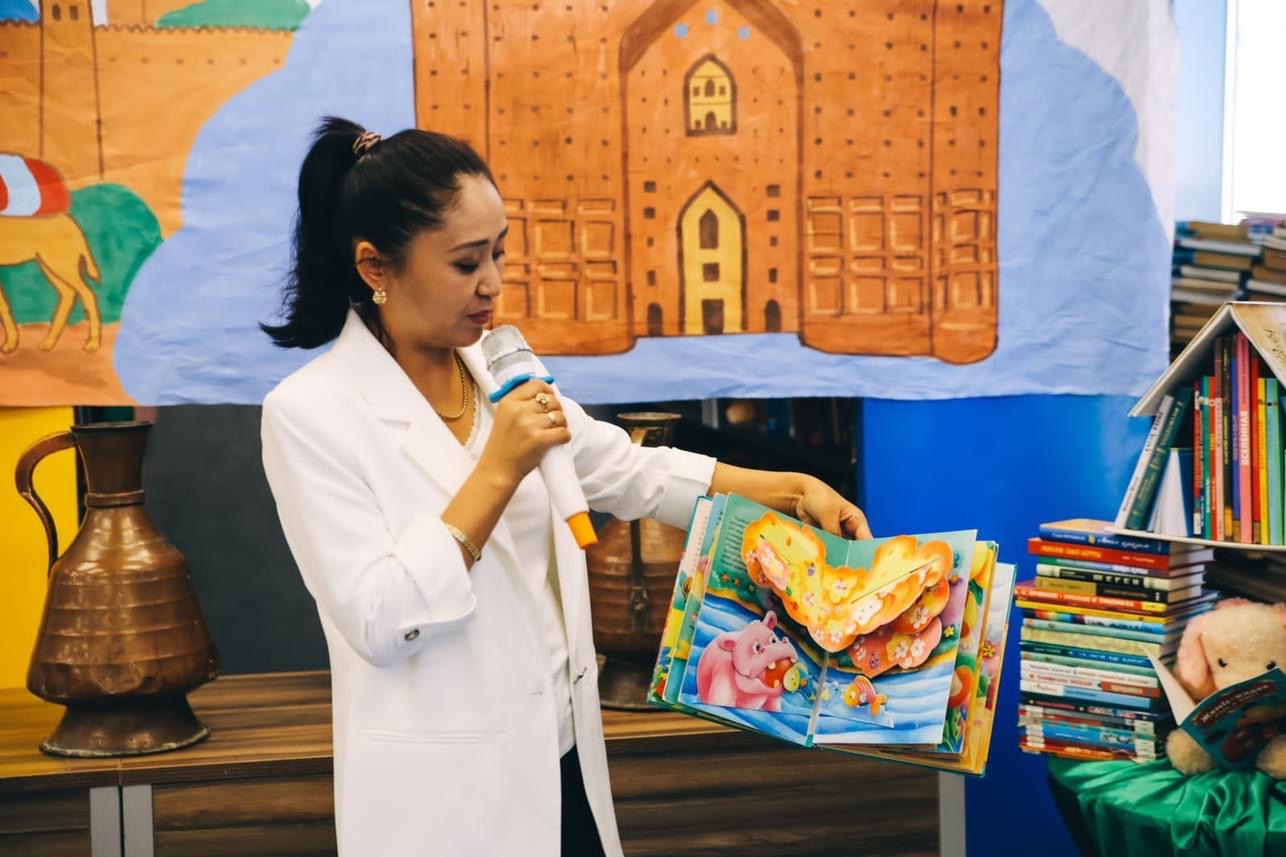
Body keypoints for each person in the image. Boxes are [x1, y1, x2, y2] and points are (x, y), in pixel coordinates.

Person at [259, 117, 872, 857]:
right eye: (465, 263)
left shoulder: (501, 373)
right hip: (445, 802)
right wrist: (497, 470)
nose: (492, 284)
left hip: (564, 766)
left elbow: (633, 472)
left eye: (499, 252)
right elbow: (378, 619)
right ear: (375, 266)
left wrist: (793, 489)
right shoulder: (311, 413)